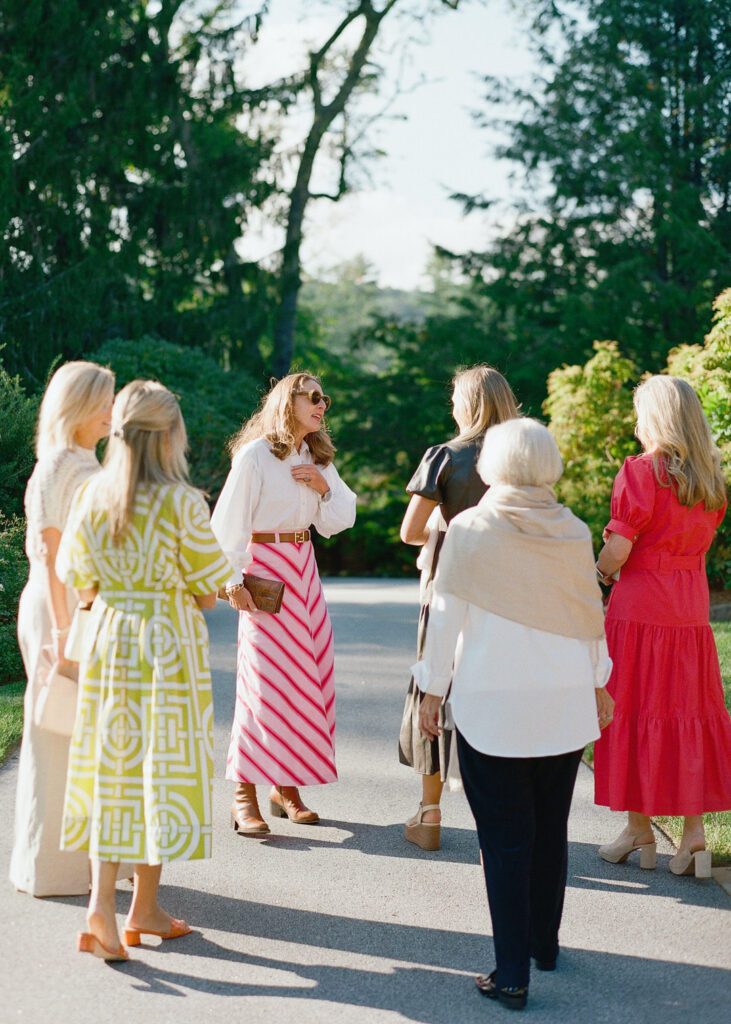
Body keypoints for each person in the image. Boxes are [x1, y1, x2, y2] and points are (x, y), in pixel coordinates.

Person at [416, 418, 613, 1011]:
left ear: (492, 466)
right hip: (561, 698)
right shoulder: (574, 531)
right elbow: (588, 615)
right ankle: (542, 946)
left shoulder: (471, 528)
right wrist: (600, 681)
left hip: (491, 699)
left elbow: (445, 615)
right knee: (550, 827)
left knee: (504, 838)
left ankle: (510, 974)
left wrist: (432, 688)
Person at [56, 380, 232, 961]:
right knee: (159, 770)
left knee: (114, 768)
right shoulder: (183, 502)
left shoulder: (92, 494)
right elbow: (208, 593)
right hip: (166, 646)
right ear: (170, 437)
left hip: (111, 637)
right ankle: (144, 907)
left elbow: (78, 579)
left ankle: (102, 908)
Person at [594, 375, 731, 878]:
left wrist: (598, 574)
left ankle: (638, 828)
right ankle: (693, 836)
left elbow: (620, 549)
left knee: (629, 706)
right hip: (689, 611)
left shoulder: (641, 473)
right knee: (686, 710)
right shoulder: (709, 481)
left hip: (640, 608)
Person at [211, 372, 356, 835]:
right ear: (286, 401)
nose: (321, 406)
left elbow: (340, 520)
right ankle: (243, 793)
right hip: (265, 575)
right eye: (312, 397)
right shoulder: (255, 456)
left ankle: (286, 785)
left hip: (304, 571)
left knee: (308, 679)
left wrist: (323, 485)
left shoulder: (318, 458)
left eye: (324, 399)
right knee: (262, 684)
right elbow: (226, 522)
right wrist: (232, 581)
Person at [398, 365, 519, 851]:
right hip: (509, 588)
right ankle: (506, 811)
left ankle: (429, 813)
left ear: (468, 404)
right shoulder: (521, 458)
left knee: (434, 680)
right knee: (497, 686)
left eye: (455, 398)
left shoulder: (444, 457)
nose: (451, 406)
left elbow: (409, 531)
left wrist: (448, 535)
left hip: (450, 581)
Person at [9, 361, 115, 898]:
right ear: (74, 406)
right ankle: (53, 871)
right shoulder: (59, 465)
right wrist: (63, 628)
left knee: (82, 738)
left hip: (81, 608)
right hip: (60, 609)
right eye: (102, 402)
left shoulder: (84, 460)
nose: (110, 412)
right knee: (57, 733)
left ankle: (82, 865)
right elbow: (51, 554)